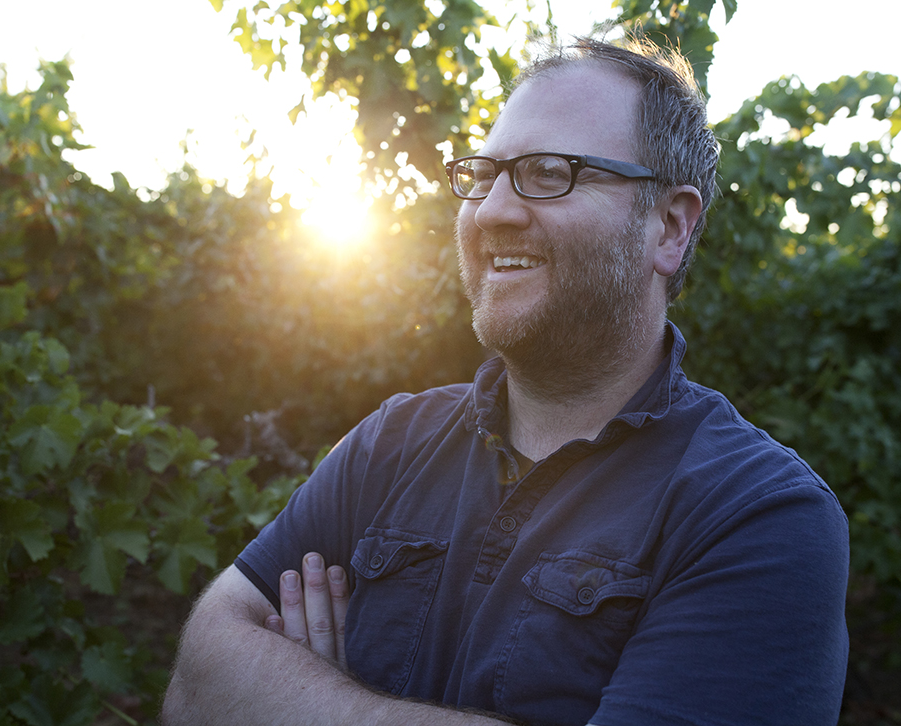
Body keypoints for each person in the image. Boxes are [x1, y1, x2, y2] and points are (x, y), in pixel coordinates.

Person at [162, 35, 849, 726]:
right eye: (483, 173)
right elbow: (195, 683)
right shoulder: (390, 445)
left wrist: (302, 699)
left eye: (549, 172)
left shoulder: (756, 514)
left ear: (669, 227)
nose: (491, 210)